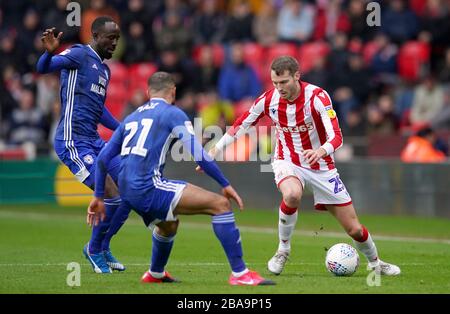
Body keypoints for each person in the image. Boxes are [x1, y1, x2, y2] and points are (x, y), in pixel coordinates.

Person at [203, 56, 401, 276]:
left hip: (321, 165)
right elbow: (242, 124)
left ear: (297, 76)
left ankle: (376, 263)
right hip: (287, 160)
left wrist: (320, 151)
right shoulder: (269, 100)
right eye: (275, 83)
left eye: (284, 82)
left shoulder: (317, 97)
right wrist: (214, 150)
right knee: (292, 195)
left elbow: (337, 137)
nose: (279, 88)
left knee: (354, 228)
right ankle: (282, 250)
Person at [87, 72, 275, 286]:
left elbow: (102, 159)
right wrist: (225, 184)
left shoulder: (132, 117)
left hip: (127, 190)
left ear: (148, 93)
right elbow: (199, 155)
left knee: (168, 225)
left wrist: (99, 196)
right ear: (173, 92)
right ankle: (241, 275)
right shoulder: (172, 113)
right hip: (148, 186)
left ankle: (155, 274)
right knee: (221, 204)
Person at [36, 16, 128, 273]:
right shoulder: (78, 54)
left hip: (95, 141)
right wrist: (49, 51)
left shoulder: (105, 71)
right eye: (110, 38)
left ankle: (102, 245)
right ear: (96, 36)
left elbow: (99, 111)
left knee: (130, 189)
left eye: (117, 39)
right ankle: (94, 250)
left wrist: (124, 130)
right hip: (72, 142)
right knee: (110, 192)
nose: (114, 43)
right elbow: (44, 67)